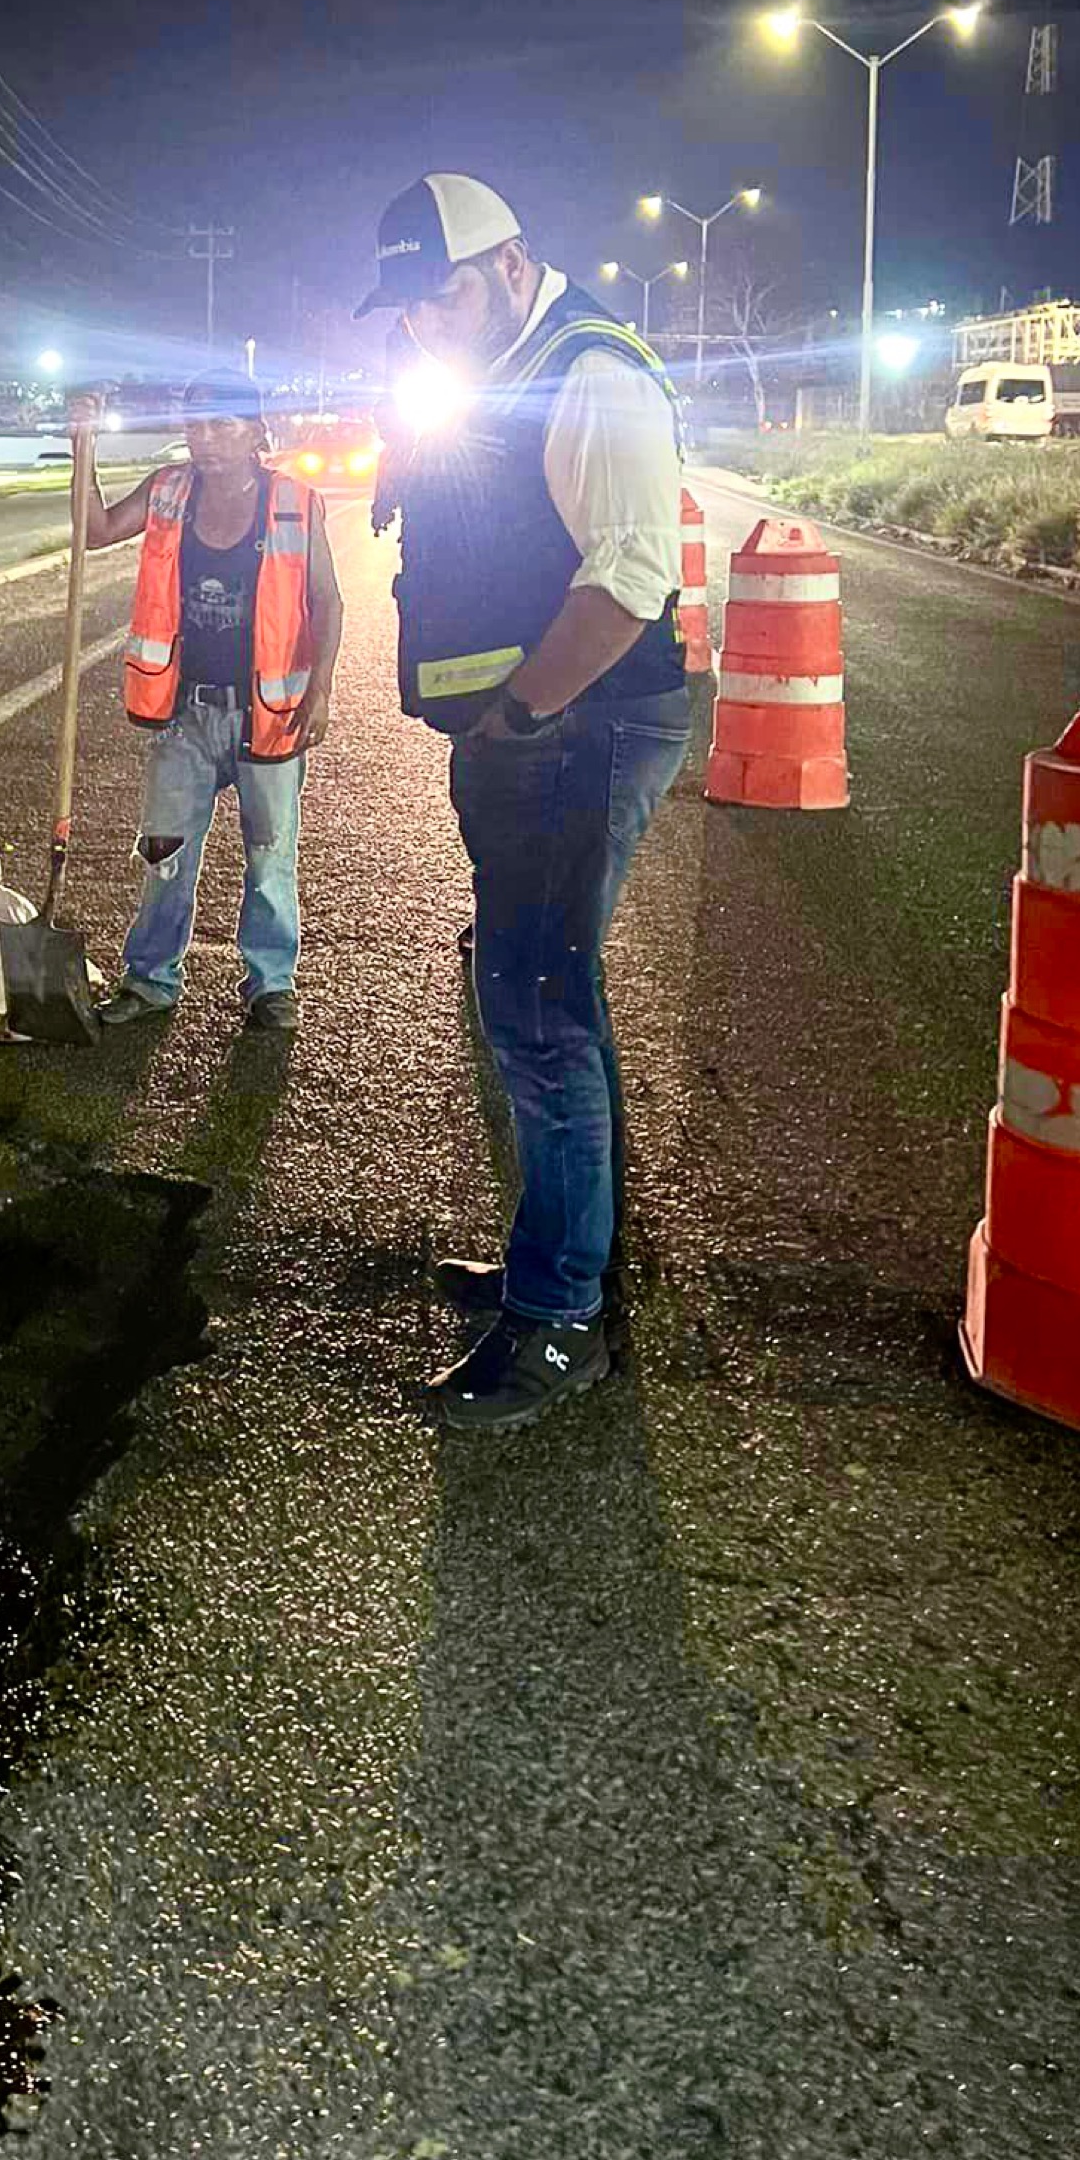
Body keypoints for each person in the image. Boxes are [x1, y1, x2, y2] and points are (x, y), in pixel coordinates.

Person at [356, 174, 686, 1433]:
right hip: (541, 732)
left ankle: (557, 1319)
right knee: (552, 1004)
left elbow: (631, 580)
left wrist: (520, 717)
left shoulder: (589, 370)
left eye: (440, 294)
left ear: (509, 263)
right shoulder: (495, 363)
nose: (424, 322)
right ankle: (564, 1263)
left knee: (538, 1015)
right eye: (408, 305)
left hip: (580, 727)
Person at [75, 370, 342, 1033]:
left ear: (254, 431)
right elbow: (95, 530)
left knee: (270, 857)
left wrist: (320, 689)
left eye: (222, 424)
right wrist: (83, 446)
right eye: (195, 425)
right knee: (164, 853)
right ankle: (149, 978)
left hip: (269, 713)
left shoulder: (293, 501)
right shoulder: (168, 490)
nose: (206, 437)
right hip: (184, 714)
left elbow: (327, 600)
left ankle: (271, 984)